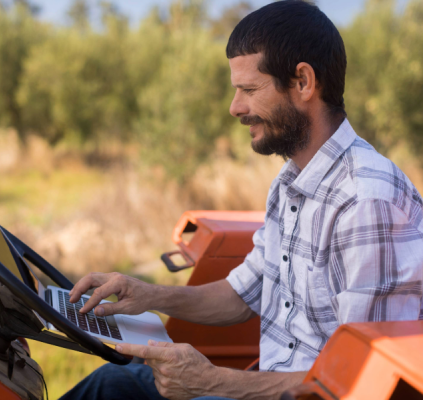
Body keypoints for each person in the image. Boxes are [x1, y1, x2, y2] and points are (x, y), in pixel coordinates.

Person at [62, 1, 423, 399]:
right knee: (111, 385)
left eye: (249, 89)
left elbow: (361, 379)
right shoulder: (288, 184)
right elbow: (240, 296)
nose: (236, 108)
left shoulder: (368, 202)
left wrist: (214, 382)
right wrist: (148, 295)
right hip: (268, 385)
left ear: (303, 82)